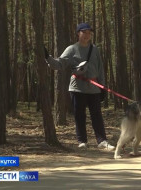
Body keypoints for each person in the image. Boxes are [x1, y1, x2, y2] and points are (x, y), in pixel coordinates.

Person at [45, 23, 114, 151]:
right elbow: (59, 64)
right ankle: (82, 141)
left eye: (89, 33)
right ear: (78, 33)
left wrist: (103, 87)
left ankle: (102, 141)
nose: (87, 35)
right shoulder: (71, 49)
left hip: (94, 88)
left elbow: (100, 69)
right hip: (77, 88)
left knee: (97, 115)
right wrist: (48, 58)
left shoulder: (95, 50)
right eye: (84, 32)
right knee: (79, 115)